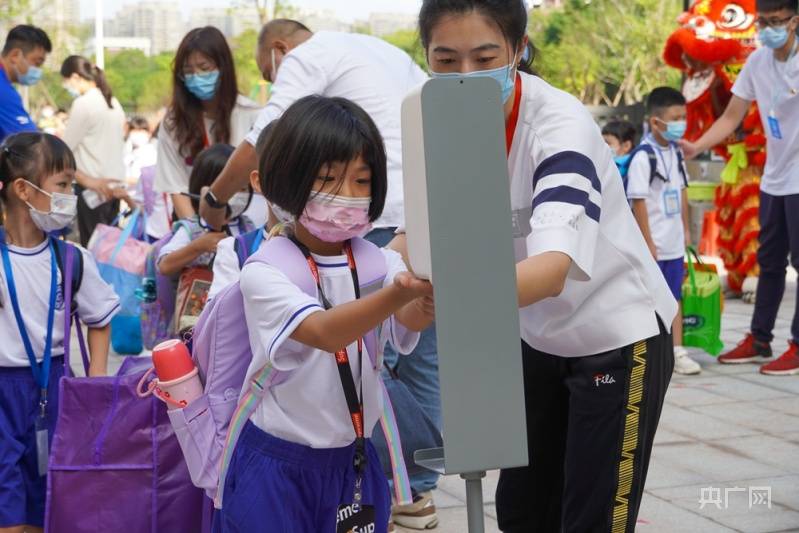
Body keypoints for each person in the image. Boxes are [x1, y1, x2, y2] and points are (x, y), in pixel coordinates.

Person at [415, 1, 677, 532]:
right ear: (426, 57)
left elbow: (553, 268)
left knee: (593, 519)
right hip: (536, 339)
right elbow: (410, 234)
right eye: (446, 61)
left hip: (614, 337)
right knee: (522, 513)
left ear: (518, 49)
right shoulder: (433, 121)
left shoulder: (559, 124)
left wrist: (454, 298)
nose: (465, 77)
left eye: (484, 57)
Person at [198, 22, 439, 524]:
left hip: (354, 459)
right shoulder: (264, 270)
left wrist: (425, 300)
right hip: (278, 463)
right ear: (278, 183)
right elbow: (325, 333)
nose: (346, 196)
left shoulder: (376, 260)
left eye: (362, 182)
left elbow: (407, 323)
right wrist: (400, 294)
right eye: (327, 180)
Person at [0, 132, 120, 533]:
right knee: (8, 505)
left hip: (56, 390)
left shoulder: (71, 259)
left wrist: (97, 378)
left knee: (50, 501)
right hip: (4, 393)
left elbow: (99, 318)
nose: (71, 194)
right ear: (23, 189)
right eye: (63, 185)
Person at [681, 0, 799, 375]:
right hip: (774, 177)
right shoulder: (758, 62)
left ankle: (797, 344)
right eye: (762, 21)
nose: (767, 29)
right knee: (768, 261)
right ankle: (759, 339)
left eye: (776, 21)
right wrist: (696, 145)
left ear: (795, 21)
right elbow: (732, 115)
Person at [154, 26, 265, 225]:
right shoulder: (173, 123)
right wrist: (198, 233)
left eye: (204, 68)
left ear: (223, 67)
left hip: (245, 222)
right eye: (188, 71)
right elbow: (176, 187)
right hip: (193, 223)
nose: (196, 77)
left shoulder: (252, 114)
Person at [627, 88, 701, 376]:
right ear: (656, 122)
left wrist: (685, 229)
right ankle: (650, 353)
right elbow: (638, 201)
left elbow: (682, 191)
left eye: (684, 117)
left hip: (673, 244)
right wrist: (648, 242)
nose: (681, 123)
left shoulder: (676, 153)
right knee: (650, 300)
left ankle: (677, 350)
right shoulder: (643, 157)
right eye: (675, 118)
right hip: (654, 244)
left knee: (675, 296)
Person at [60, 55, 126, 246]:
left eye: (66, 82)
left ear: (75, 77)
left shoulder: (84, 104)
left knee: (93, 249)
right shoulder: (112, 101)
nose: (67, 86)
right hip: (114, 187)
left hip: (93, 188)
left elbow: (64, 150)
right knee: (109, 250)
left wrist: (84, 180)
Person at [157, 144, 251, 277]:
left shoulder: (247, 225)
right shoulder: (193, 228)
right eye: (229, 188)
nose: (238, 194)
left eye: (244, 189)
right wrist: (198, 246)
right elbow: (164, 266)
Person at [0, 25, 51, 143]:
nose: (38, 70)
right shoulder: (3, 90)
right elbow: (31, 143)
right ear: (15, 55)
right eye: (37, 63)